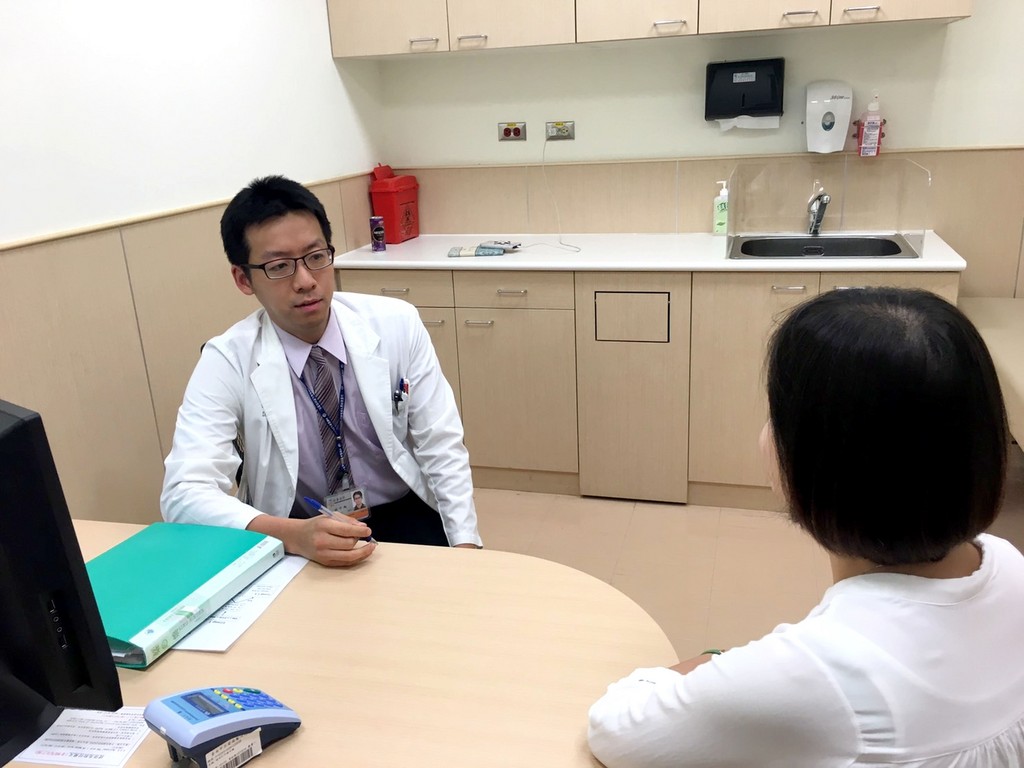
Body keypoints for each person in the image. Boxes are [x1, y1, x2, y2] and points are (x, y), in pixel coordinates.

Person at [588, 287, 1024, 767]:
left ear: (821, 459)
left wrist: (714, 663)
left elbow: (614, 728)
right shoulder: (1009, 565)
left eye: (776, 416)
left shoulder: (811, 678)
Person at [161, 175, 481, 566]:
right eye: (279, 266)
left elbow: (441, 445)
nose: (306, 281)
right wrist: (290, 535)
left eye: (316, 257)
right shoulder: (227, 358)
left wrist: (466, 549)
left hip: (402, 509)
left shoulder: (396, 323)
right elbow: (183, 493)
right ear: (244, 279)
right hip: (294, 525)